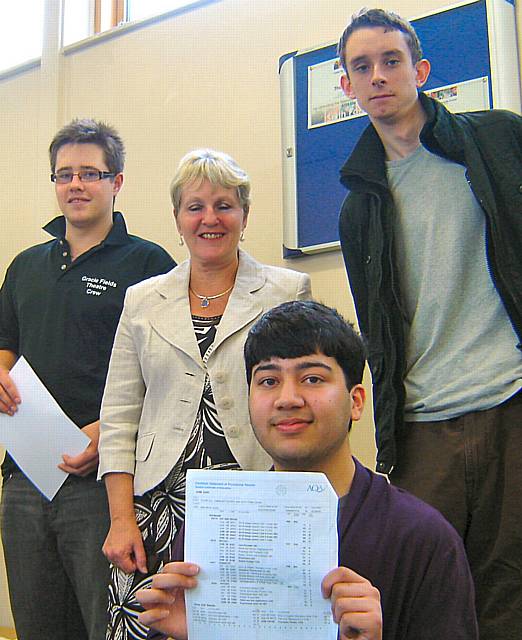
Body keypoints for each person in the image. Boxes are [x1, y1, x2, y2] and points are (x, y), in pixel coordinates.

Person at [336, 9, 522, 637]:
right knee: (424, 593)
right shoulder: (359, 206)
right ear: (347, 85)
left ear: (421, 70)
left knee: (509, 590)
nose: (378, 75)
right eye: (362, 66)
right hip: (423, 426)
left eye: (391, 60)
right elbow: (379, 336)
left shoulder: (498, 140)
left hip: (512, 401)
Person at [136, 300, 478, 640]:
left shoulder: (423, 537)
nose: (288, 398)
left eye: (312, 378)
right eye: (268, 381)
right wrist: (183, 634)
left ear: (356, 401)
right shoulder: (212, 529)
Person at [98, 148, 312, 639]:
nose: (210, 218)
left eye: (224, 205)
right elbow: (119, 414)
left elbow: (305, 404)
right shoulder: (142, 300)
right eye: (195, 206)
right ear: (177, 218)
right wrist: (120, 519)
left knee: (247, 627)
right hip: (156, 509)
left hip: (257, 497)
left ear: (244, 214)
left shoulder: (287, 290)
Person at [0, 119, 175, 640]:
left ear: (116, 182)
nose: (76, 184)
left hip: (103, 482)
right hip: (24, 478)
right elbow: (6, 342)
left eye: (91, 174)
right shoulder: (25, 266)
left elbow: (167, 374)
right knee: (39, 626)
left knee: (109, 626)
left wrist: (108, 433)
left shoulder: (149, 263)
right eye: (64, 174)